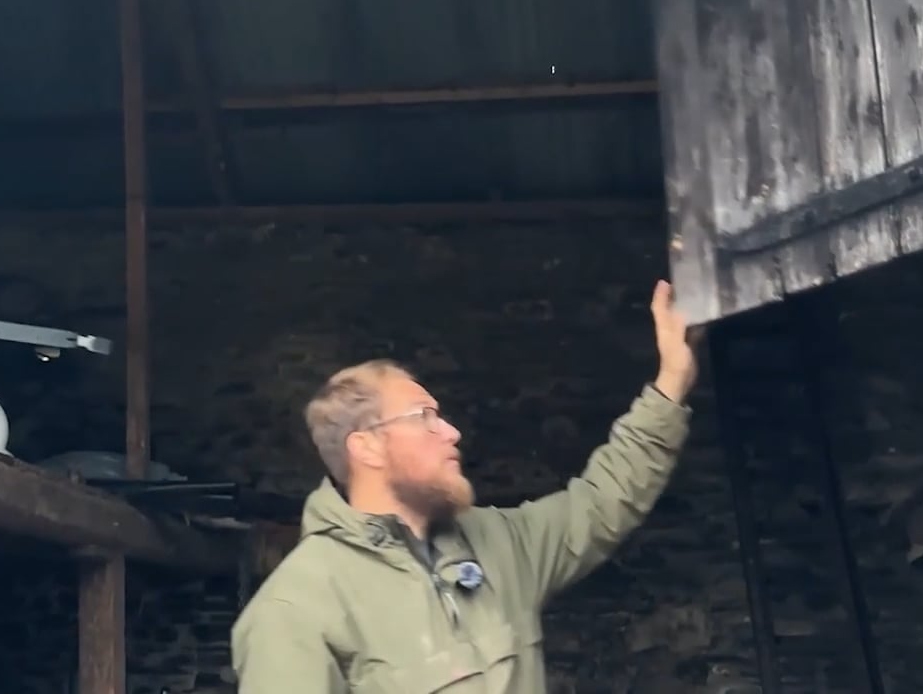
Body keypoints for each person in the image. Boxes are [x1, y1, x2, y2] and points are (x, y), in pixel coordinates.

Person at [230, 280, 699, 693]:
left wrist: (671, 383)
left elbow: (601, 503)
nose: (451, 432)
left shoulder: (498, 543)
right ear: (367, 447)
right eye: (424, 417)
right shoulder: (296, 608)